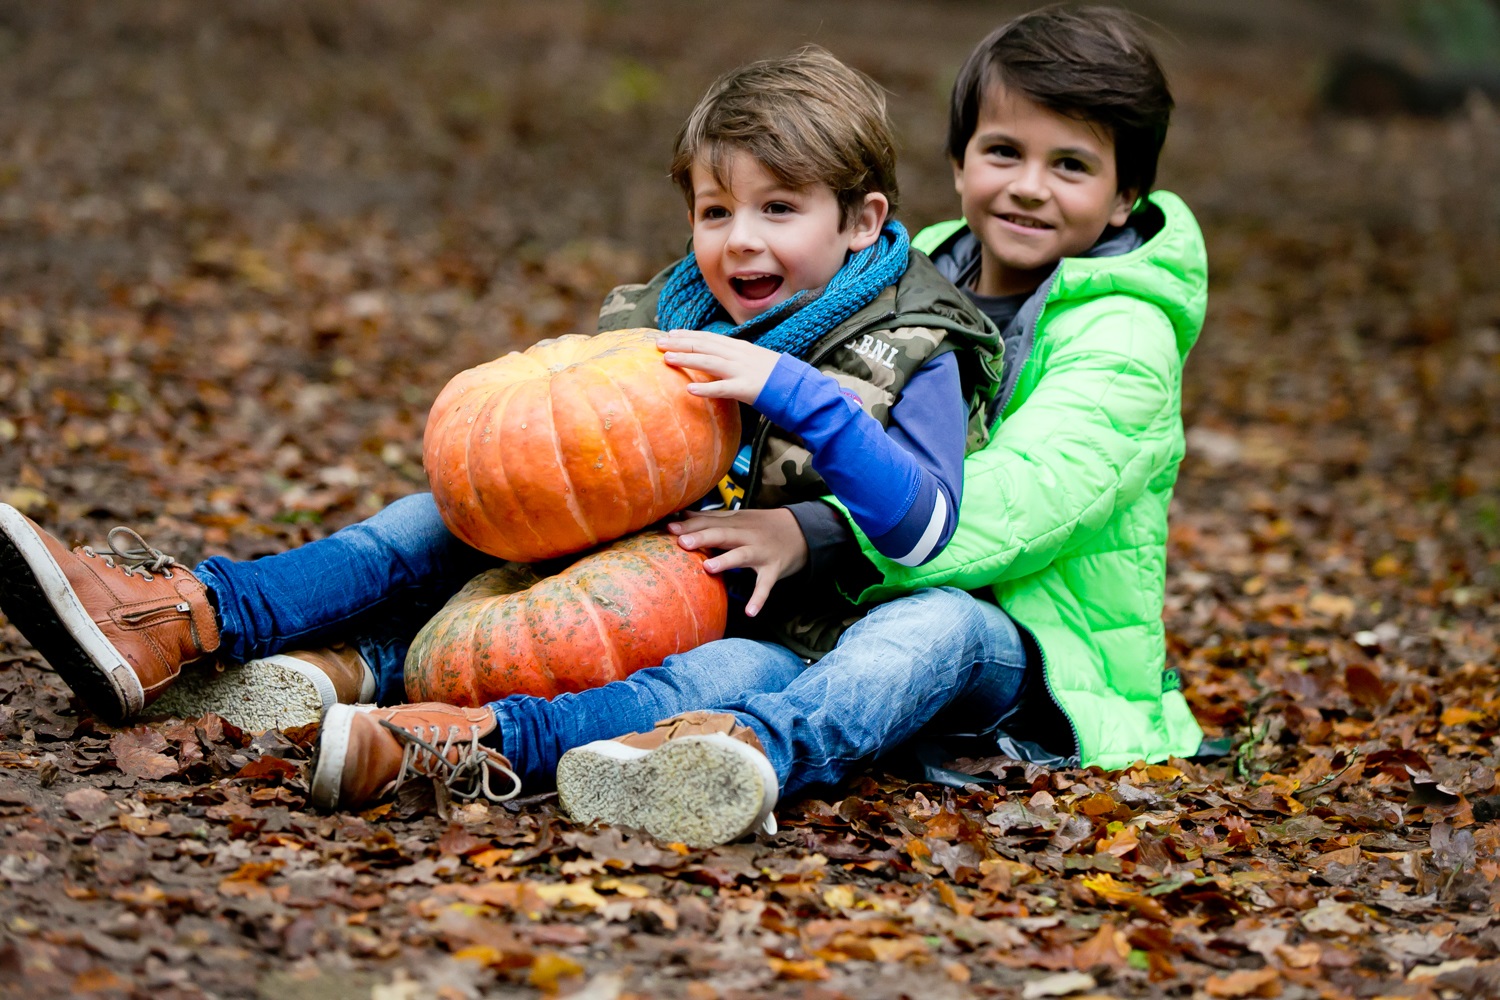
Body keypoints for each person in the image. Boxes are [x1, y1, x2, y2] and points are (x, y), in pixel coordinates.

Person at [0, 47, 1002, 844]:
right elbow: (596, 457)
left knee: (707, 685)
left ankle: (466, 742)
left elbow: (929, 524)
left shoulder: (919, 340)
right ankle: (188, 616)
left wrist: (797, 425)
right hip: (634, 571)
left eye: (780, 209)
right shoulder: (667, 316)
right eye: (715, 209)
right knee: (433, 522)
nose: (742, 239)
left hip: (788, 628)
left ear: (865, 221)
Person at [306, 4, 1213, 844]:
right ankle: (469, 727)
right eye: (1004, 151)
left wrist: (811, 531)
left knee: (931, 626)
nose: (1027, 188)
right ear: (961, 159)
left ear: (1126, 196)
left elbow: (1021, 503)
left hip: (1033, 647)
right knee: (720, 656)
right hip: (845, 603)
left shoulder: (1125, 333)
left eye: (1072, 166)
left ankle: (752, 753)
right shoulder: (915, 268)